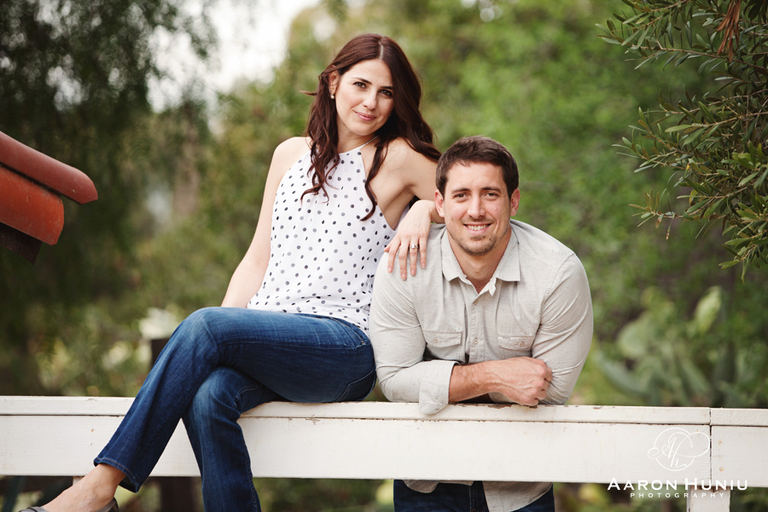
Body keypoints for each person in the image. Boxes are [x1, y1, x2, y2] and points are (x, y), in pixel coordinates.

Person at [28, 33, 441, 512]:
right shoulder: (288, 155)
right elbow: (257, 258)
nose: (371, 102)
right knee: (208, 394)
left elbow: (475, 201)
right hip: (273, 337)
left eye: (386, 92)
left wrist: (424, 209)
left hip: (343, 346)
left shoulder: (400, 158)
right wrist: (220, 345)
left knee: (207, 325)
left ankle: (99, 488)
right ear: (333, 82)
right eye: (361, 85)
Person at [369, 136, 593, 512]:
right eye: (461, 195)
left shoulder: (557, 272)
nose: (476, 210)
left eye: (490, 194)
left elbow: (550, 390)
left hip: (521, 486)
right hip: (425, 478)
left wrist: (438, 383)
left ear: (513, 201)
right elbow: (394, 379)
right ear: (439, 203)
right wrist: (495, 376)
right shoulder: (404, 267)